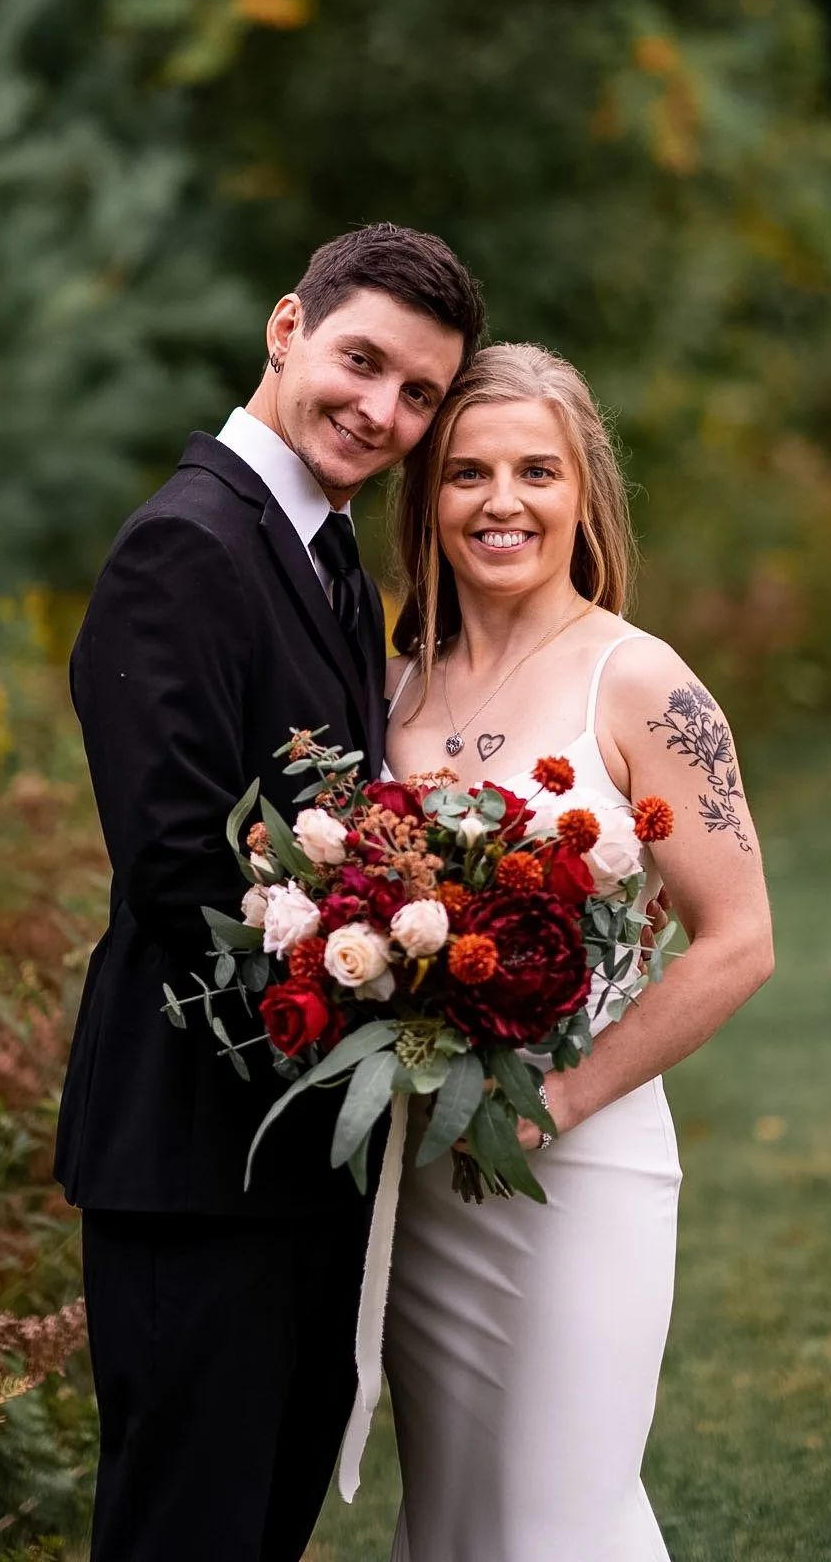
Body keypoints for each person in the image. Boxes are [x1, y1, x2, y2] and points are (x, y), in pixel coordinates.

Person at [55, 224, 485, 1562]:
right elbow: (181, 865)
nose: (383, 412)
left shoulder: (327, 559)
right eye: (362, 364)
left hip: (299, 1156)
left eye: (420, 395)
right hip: (199, 1150)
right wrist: (351, 1026)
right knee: (186, 1530)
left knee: (259, 1525)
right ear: (284, 328)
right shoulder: (186, 547)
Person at [382, 343, 775, 1562]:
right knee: (452, 1518)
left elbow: (740, 941)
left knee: (560, 1517)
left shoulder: (641, 677)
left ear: (584, 493)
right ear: (428, 499)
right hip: (422, 1173)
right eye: (467, 473)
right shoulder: (390, 683)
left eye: (536, 470)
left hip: (580, 1159)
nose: (501, 501)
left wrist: (559, 1098)